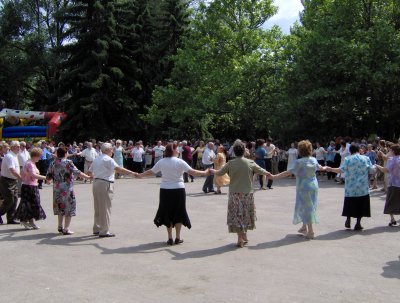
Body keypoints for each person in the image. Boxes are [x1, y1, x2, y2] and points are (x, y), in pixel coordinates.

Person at [137, 143, 210, 245]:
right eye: (177, 149)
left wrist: (140, 175)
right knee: (179, 212)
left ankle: (170, 238)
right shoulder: (180, 161)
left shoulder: (162, 162)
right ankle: (177, 237)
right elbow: (192, 172)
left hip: (165, 190)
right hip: (178, 189)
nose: (179, 151)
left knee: (167, 212)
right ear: (174, 151)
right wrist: (205, 172)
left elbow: (151, 171)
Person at [211, 140, 271, 248]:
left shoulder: (231, 163)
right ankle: (244, 236)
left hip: (234, 194)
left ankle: (240, 239)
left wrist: (210, 171)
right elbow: (262, 171)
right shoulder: (250, 162)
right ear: (244, 151)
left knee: (237, 215)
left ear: (234, 152)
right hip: (247, 194)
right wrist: (271, 175)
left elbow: (219, 172)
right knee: (246, 215)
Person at [269, 140, 325, 239]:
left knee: (307, 208)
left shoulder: (298, 162)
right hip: (313, 186)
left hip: (303, 187)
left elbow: (288, 172)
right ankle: (304, 227)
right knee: (310, 205)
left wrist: (275, 176)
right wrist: (328, 168)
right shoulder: (313, 160)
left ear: (300, 151)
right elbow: (320, 168)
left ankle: (311, 232)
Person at [89, 143, 138, 237]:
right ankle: (104, 231)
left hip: (96, 183)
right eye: (111, 149)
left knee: (98, 207)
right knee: (105, 208)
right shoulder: (108, 159)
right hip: (105, 183)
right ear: (108, 149)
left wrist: (95, 175)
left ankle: (97, 228)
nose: (112, 151)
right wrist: (132, 173)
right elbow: (118, 168)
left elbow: (89, 171)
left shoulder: (97, 159)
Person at [327, 144, 373, 230]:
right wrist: (378, 167)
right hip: (362, 187)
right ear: (359, 150)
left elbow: (341, 170)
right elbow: (371, 170)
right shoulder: (366, 158)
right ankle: (358, 223)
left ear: (350, 151)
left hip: (350, 187)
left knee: (349, 203)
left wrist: (331, 169)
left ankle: (348, 219)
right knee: (361, 204)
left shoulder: (347, 159)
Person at [46, 147, 91, 235]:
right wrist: (88, 177)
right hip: (67, 189)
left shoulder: (53, 163)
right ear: (66, 154)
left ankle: (60, 226)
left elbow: (48, 176)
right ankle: (66, 228)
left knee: (60, 207)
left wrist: (49, 180)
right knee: (69, 208)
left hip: (57, 188)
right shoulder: (68, 162)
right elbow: (77, 172)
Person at [14, 148, 47, 229]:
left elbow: (23, 172)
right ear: (35, 156)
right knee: (28, 204)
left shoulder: (31, 162)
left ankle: (31, 222)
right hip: (29, 186)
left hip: (31, 185)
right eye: (39, 156)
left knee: (33, 204)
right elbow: (33, 175)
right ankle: (24, 220)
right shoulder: (30, 164)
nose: (40, 158)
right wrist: (46, 178)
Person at [376, 144, 400, 226]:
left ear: (393, 151)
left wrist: (378, 166)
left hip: (394, 184)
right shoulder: (395, 159)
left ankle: (392, 219)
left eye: (390, 150)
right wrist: (383, 155)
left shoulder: (392, 160)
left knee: (390, 202)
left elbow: (386, 170)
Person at [0, 141, 21, 224]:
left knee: (15, 199)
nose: (19, 148)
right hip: (6, 180)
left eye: (19, 146)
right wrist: (21, 178)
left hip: (13, 180)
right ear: (12, 147)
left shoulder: (14, 155)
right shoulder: (9, 156)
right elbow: (12, 169)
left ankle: (11, 218)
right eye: (17, 146)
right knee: (9, 200)